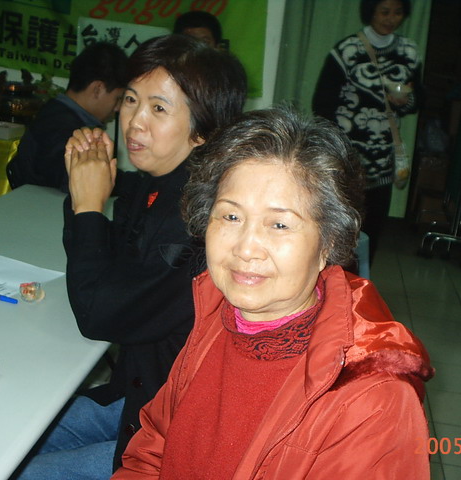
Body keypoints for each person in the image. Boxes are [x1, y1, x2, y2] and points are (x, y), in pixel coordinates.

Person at [111, 106, 434, 479]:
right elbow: (151, 452)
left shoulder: (372, 397)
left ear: (328, 243)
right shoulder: (218, 313)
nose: (246, 248)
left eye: (279, 225)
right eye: (231, 216)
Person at [13, 35, 247, 480]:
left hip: (177, 437)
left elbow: (99, 315)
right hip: (140, 395)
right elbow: (112, 269)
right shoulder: (160, 182)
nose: (134, 122)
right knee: (9, 428)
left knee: (17, 469)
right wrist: (87, 190)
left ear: (202, 130)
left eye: (159, 109)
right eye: (131, 100)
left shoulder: (200, 221)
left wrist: (88, 205)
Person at [312, 0, 421, 262]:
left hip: (383, 157)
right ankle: (335, 280)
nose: (391, 19)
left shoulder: (409, 51)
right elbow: (322, 103)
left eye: (398, 13)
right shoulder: (348, 50)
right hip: (348, 158)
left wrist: (404, 101)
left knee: (372, 229)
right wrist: (335, 147)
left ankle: (362, 280)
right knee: (341, 228)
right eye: (384, 12)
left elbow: (418, 100)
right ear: (370, 11)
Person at [6, 41, 129, 192]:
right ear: (97, 89)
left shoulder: (55, 112)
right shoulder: (64, 129)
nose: (118, 108)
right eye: (118, 98)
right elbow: (81, 183)